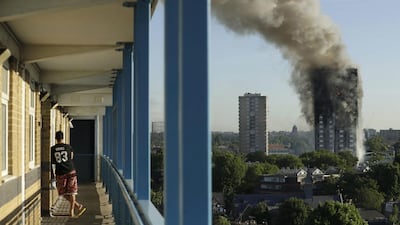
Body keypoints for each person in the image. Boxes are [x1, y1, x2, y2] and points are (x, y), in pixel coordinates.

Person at [51, 131, 86, 217]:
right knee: (72, 191)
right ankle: (72, 211)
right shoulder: (68, 147)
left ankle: (77, 206)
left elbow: (52, 161)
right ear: (63, 138)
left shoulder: (52, 149)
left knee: (62, 193)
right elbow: (71, 157)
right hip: (71, 170)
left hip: (60, 172)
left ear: (56, 138)